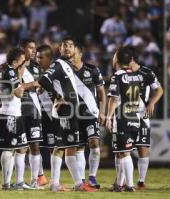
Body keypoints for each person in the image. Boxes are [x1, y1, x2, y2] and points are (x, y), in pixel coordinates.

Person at [38, 36, 97, 192]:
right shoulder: (58, 64)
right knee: (60, 147)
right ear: (60, 49)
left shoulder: (66, 65)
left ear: (75, 49)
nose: (67, 48)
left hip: (71, 111)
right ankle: (55, 183)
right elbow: (43, 80)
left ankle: (78, 184)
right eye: (64, 45)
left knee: (70, 147)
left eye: (70, 45)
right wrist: (57, 97)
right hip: (64, 111)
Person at [0, 47, 39, 190]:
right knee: (9, 148)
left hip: (13, 112)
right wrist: (31, 84)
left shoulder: (7, 70)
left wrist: (20, 73)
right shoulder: (8, 71)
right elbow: (19, 93)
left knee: (21, 147)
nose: (24, 62)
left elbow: (17, 86)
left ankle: (17, 182)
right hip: (10, 113)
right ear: (15, 61)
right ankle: (6, 183)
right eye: (21, 60)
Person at [106, 46, 141, 192]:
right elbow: (138, 98)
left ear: (118, 59)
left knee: (124, 152)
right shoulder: (136, 75)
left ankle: (130, 185)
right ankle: (119, 185)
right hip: (134, 117)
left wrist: (108, 117)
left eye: (114, 55)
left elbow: (114, 99)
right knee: (121, 151)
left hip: (122, 119)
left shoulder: (117, 76)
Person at [72, 43, 106, 188]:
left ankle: (92, 177)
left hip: (91, 114)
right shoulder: (66, 71)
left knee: (94, 143)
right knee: (79, 147)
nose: (71, 56)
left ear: (80, 54)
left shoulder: (92, 70)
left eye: (74, 53)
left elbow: (102, 93)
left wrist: (103, 112)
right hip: (74, 115)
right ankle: (81, 180)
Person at [130, 57, 163, 189]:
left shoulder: (146, 73)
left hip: (142, 115)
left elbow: (159, 90)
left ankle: (141, 181)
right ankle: (121, 181)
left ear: (131, 58)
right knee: (122, 150)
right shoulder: (121, 73)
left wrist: (151, 103)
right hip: (125, 115)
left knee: (142, 147)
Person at [18, 38, 45, 188]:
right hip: (18, 110)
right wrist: (32, 84)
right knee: (21, 147)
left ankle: (35, 181)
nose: (34, 51)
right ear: (23, 49)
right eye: (30, 48)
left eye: (34, 48)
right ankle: (20, 181)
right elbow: (14, 86)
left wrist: (38, 86)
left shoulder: (36, 67)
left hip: (34, 111)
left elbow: (40, 84)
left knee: (35, 146)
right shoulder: (14, 65)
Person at [35, 44, 56, 185]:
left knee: (54, 148)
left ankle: (55, 179)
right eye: (37, 57)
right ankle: (40, 176)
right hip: (37, 115)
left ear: (49, 58)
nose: (38, 60)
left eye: (41, 57)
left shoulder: (57, 72)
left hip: (53, 116)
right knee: (35, 145)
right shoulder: (34, 72)